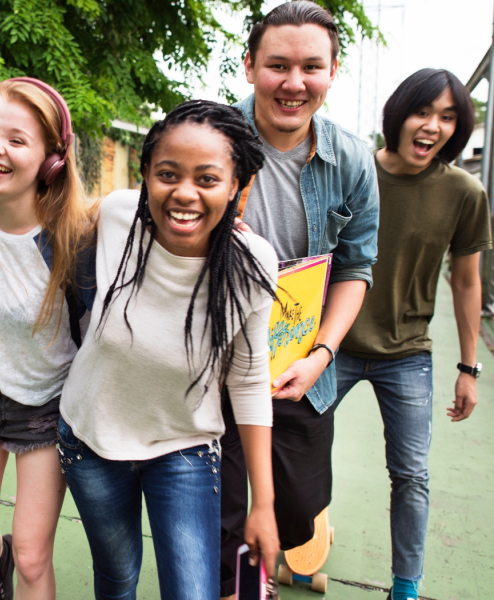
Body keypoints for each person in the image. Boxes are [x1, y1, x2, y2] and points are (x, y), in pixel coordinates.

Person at [58, 100, 280, 600]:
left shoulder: (253, 263)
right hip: (91, 441)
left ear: (236, 187)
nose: (184, 193)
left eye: (207, 179)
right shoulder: (117, 216)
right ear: (146, 177)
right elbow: (37, 203)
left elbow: (247, 380)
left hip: (184, 446)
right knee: (116, 580)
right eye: (168, 174)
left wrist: (262, 504)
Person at [219, 2, 380, 596]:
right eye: (277, 66)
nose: (294, 83)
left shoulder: (352, 161)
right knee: (224, 509)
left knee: (296, 510)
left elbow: (356, 267)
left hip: (299, 363)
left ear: (332, 71)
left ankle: (298, 543)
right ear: (250, 66)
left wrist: (322, 354)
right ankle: (239, 582)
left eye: (311, 67)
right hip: (216, 357)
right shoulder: (211, 135)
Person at [336, 69, 491, 600]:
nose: (433, 126)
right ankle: (290, 548)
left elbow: (467, 281)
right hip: (330, 345)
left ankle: (405, 588)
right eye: (424, 112)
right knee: (290, 449)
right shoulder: (354, 172)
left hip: (407, 353)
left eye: (449, 117)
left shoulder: (464, 193)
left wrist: (468, 368)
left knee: (412, 476)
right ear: (399, 114)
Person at [0, 78, 92, 600]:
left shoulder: (75, 241)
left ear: (52, 159)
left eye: (17, 139)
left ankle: (17, 563)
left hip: (43, 411)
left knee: (34, 557)